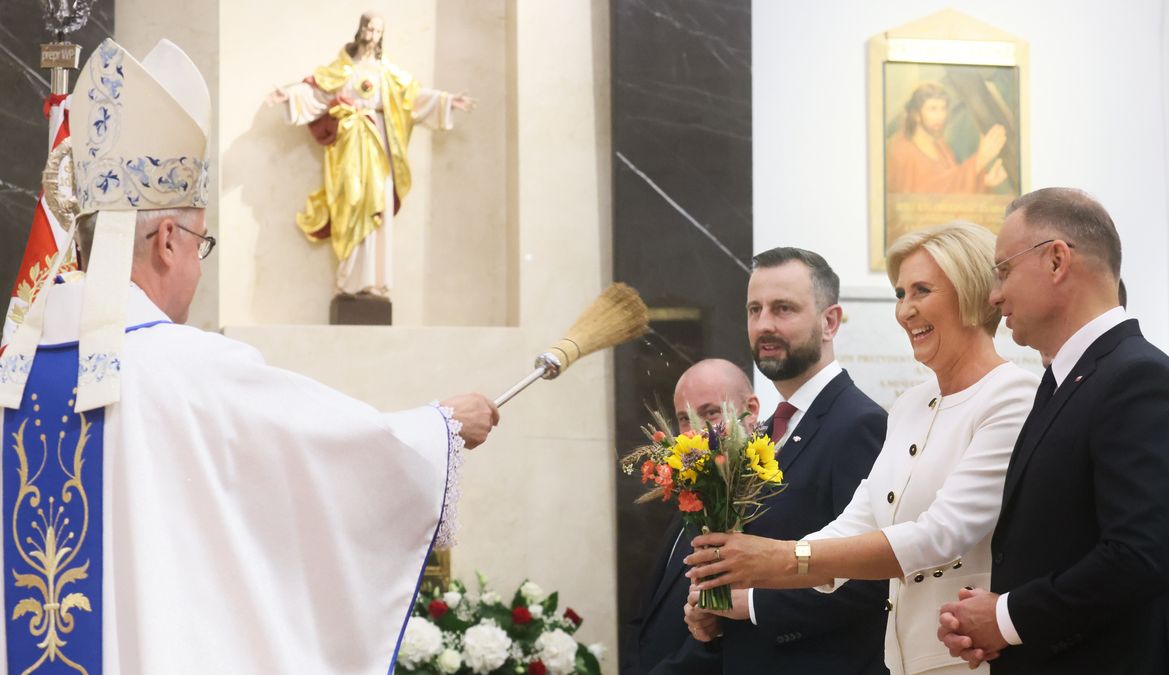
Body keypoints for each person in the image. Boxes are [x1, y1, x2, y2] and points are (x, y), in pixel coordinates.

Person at [0, 39, 498, 675]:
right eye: (200, 243)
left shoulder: (14, 371)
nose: (196, 269)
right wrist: (444, 426)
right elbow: (336, 461)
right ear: (169, 241)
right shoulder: (188, 367)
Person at [684, 223, 1038, 674]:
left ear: (970, 291)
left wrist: (782, 557)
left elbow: (942, 534)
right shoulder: (910, 406)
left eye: (921, 291)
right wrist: (744, 572)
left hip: (970, 661)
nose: (905, 311)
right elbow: (853, 525)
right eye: (899, 294)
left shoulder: (1012, 395)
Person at [937, 188, 1169, 674]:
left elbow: (1138, 558)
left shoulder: (1140, 379)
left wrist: (1007, 617)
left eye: (1004, 270)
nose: (995, 296)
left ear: (1057, 260)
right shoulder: (1066, 380)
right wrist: (999, 620)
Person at [678, 248, 889, 674]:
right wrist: (716, 611)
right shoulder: (766, 430)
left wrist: (752, 604)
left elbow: (873, 578)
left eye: (783, 309)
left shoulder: (859, 423)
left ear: (830, 322)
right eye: (754, 309)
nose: (764, 325)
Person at [267, 11, 475, 296]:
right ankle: (349, 279)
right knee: (350, 200)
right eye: (368, 28)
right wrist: (290, 96)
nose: (371, 35)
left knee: (378, 203)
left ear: (381, 36)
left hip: (380, 147)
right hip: (350, 144)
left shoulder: (386, 72)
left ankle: (374, 281)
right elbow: (317, 93)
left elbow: (413, 98)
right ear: (360, 30)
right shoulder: (343, 68)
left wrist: (448, 101)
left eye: (377, 31)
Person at [622, 358, 759, 674]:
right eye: (684, 419)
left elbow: (722, 635)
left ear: (750, 411)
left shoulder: (758, 507)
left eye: (710, 413)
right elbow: (646, 616)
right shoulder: (692, 496)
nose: (694, 434)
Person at [887, 82, 1008, 194]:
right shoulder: (900, 150)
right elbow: (929, 192)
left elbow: (955, 189)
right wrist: (978, 161)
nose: (940, 116)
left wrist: (985, 182)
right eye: (932, 109)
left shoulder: (941, 147)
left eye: (943, 108)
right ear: (916, 114)